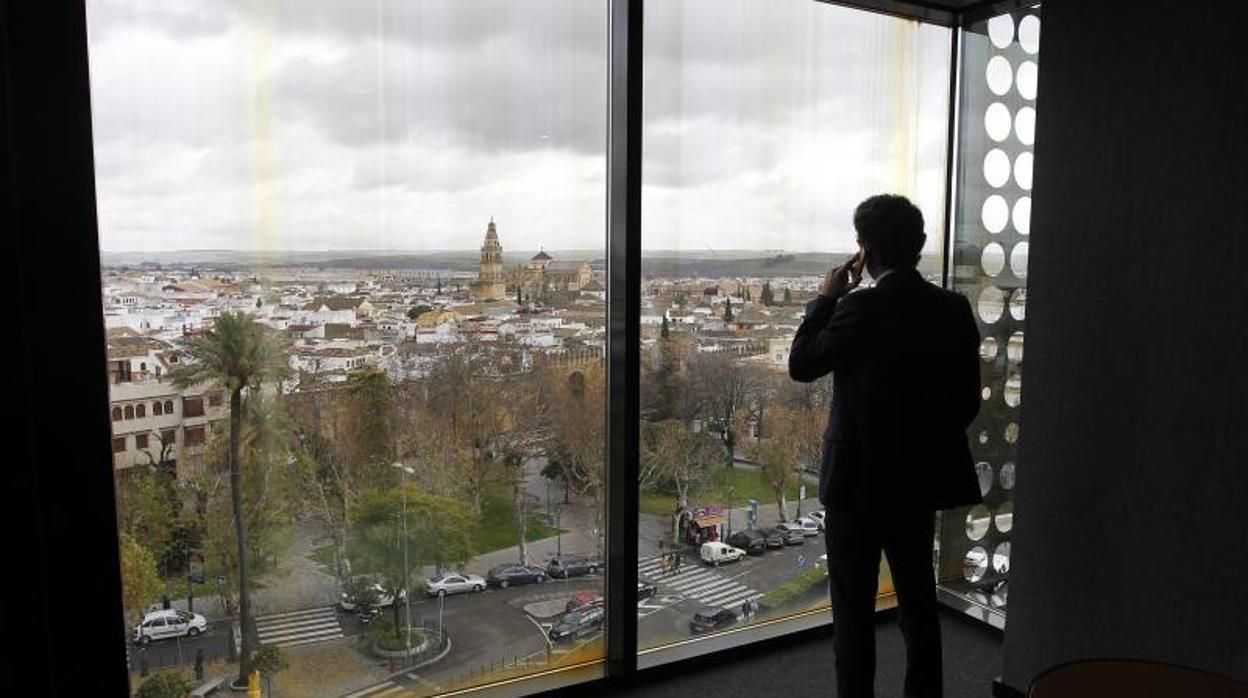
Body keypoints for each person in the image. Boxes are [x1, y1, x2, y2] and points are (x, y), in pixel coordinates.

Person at [789, 194, 982, 698]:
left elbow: (802, 364)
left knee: (853, 615)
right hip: (917, 482)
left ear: (865, 251)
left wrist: (825, 299)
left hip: (855, 485)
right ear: (918, 246)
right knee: (919, 606)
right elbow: (965, 402)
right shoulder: (952, 309)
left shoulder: (858, 308)